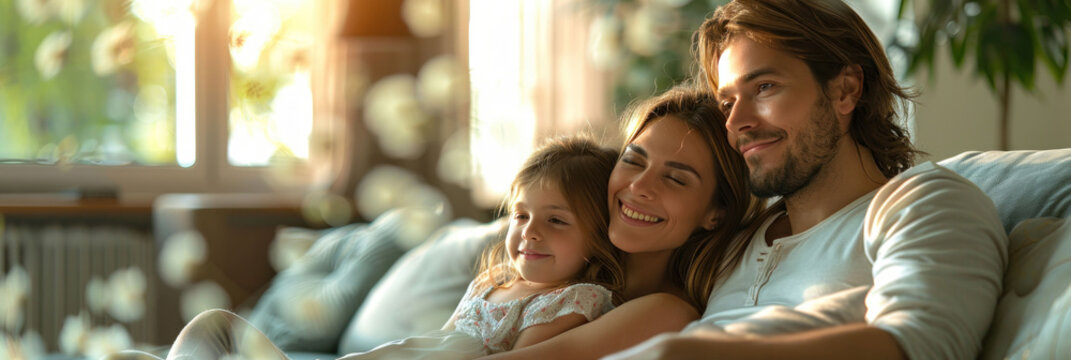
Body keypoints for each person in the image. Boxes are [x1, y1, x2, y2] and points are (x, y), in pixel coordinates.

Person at [605, 1, 1008, 359]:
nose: (736, 122)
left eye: (765, 87)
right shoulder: (734, 243)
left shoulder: (923, 203)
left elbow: (919, 345)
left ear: (846, 90)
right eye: (728, 102)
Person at [110, 136, 626, 360]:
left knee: (214, 328)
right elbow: (438, 341)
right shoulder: (494, 280)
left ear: (598, 236)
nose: (529, 232)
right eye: (520, 215)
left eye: (556, 221)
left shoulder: (572, 302)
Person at [482, 83, 765, 359]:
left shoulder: (666, 312)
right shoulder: (551, 268)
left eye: (675, 178)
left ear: (716, 214)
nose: (639, 186)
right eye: (633, 161)